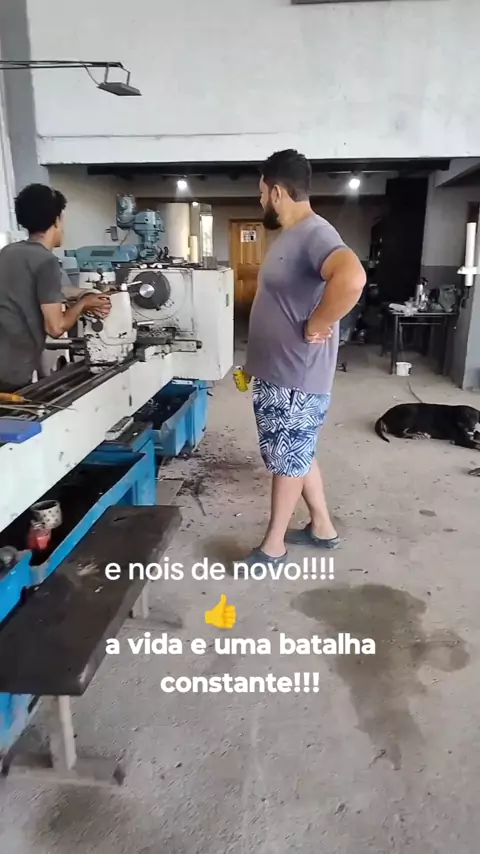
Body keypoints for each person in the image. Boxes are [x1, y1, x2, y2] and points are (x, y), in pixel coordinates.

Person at [242, 149, 366, 570]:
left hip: (295, 375)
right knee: (299, 450)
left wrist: (319, 322)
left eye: (262, 193)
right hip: (281, 372)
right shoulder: (293, 236)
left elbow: (352, 277)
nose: (261, 201)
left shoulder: (315, 233)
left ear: (277, 192)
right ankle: (322, 527)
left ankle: (273, 547)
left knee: (288, 460)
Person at [0, 183, 110, 392]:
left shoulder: (9, 252)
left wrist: (84, 293)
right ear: (57, 220)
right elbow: (56, 328)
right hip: (12, 373)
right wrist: (83, 305)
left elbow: (40, 291)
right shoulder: (46, 261)